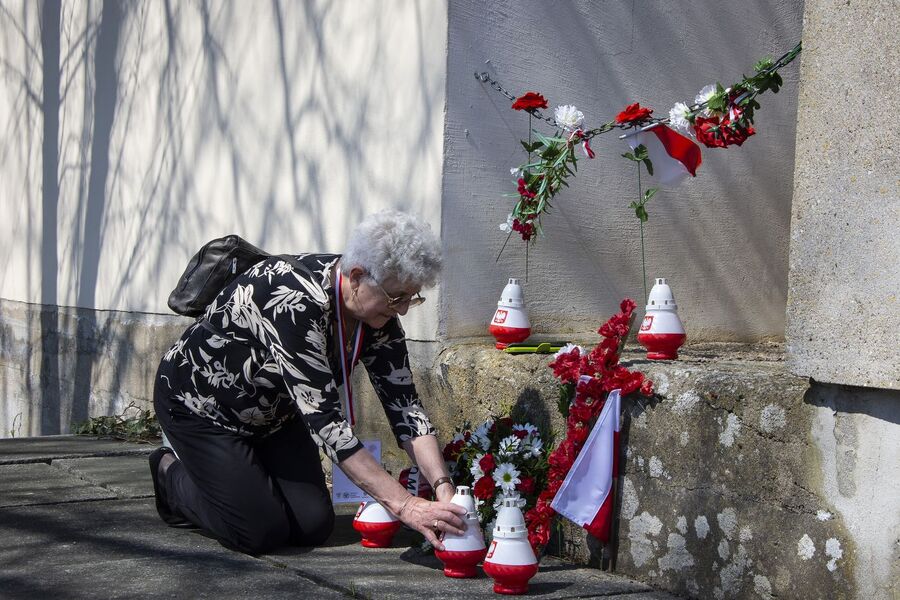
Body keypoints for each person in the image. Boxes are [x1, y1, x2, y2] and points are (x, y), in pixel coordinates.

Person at [150, 210, 466, 554]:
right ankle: (170, 476)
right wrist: (405, 505)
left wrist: (443, 487)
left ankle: (242, 479)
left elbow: (406, 407)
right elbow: (327, 424)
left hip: (275, 416)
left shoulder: (377, 314)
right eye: (396, 298)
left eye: (411, 298)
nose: (403, 309)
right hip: (202, 409)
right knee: (258, 533)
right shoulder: (293, 299)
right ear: (357, 276)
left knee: (312, 526)